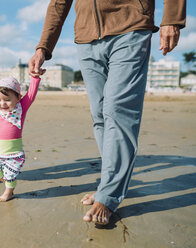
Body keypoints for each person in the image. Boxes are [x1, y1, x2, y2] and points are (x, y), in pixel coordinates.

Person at [29, 0, 186, 225]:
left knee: (118, 111)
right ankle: (109, 184)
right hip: (86, 37)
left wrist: (172, 18)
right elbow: (59, 3)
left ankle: (108, 196)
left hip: (130, 25)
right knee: (100, 116)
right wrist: (43, 46)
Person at [0, 76, 41, 201]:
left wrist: (35, 78)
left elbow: (31, 94)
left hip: (13, 152)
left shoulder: (20, 108)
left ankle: (9, 191)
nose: (2, 103)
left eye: (7, 99)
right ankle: (8, 182)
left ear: (18, 98)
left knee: (10, 174)